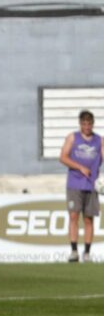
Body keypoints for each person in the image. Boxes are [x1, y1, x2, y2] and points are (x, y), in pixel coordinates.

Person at [59, 110, 100, 263]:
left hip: (91, 184)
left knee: (88, 219)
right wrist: (80, 167)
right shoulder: (72, 138)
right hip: (75, 183)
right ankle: (74, 251)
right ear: (80, 124)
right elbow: (63, 157)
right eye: (84, 124)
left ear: (92, 124)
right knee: (73, 216)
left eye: (89, 124)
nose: (87, 127)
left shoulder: (99, 140)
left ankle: (87, 253)